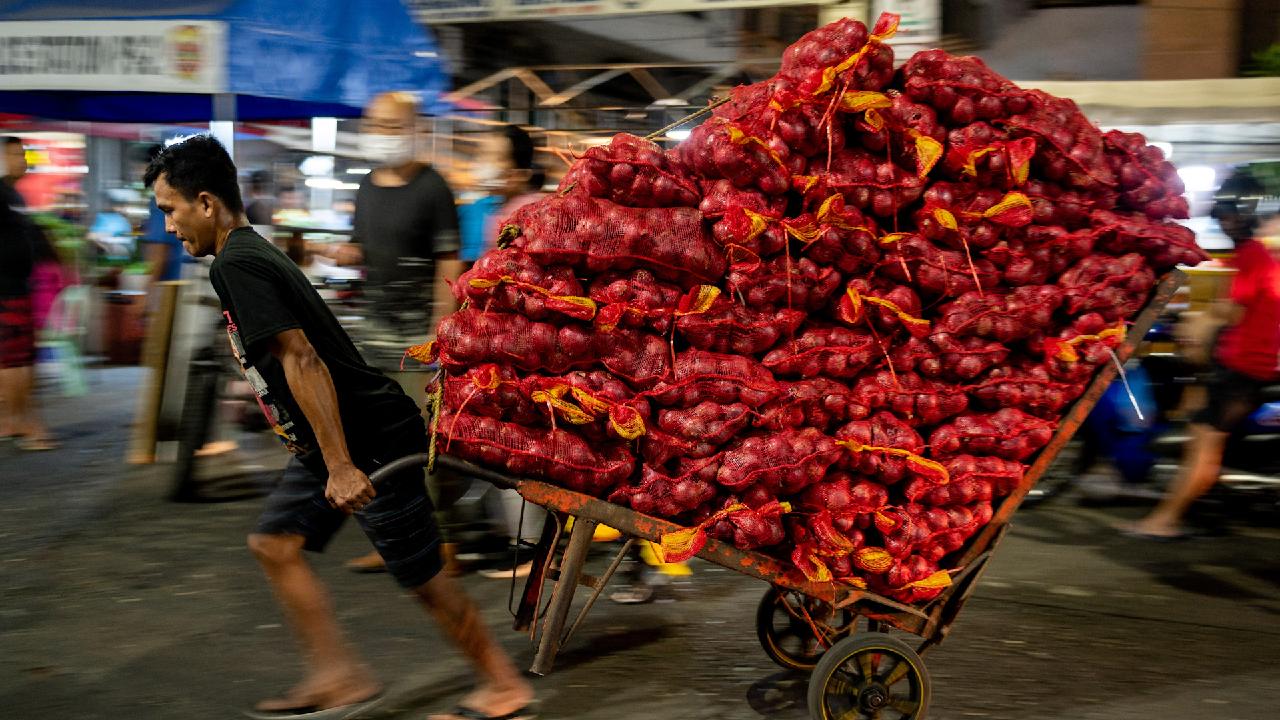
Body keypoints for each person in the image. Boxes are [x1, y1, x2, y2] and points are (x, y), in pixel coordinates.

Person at [145, 135, 534, 720]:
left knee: (424, 578)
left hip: (367, 439)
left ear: (205, 202)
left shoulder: (237, 263)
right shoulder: (245, 254)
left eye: (170, 210)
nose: (169, 226)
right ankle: (339, 676)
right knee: (274, 545)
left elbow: (302, 359)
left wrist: (340, 464)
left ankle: (504, 686)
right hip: (328, 443)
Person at [314, 91, 467, 576]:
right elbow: (363, 249)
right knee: (373, 441)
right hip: (371, 334)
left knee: (423, 443)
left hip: (415, 338)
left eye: (392, 126)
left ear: (415, 128)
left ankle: (444, 542)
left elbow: (448, 262)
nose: (382, 135)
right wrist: (339, 254)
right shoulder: (365, 187)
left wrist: (439, 333)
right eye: (375, 126)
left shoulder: (433, 187)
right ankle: (395, 539)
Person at [1122, 170, 1280, 540]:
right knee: (1204, 435)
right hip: (1244, 363)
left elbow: (1229, 311)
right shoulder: (1255, 255)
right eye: (1222, 216)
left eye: (1229, 215)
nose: (1224, 223)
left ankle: (1165, 520)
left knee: (1204, 445)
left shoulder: (1253, 255)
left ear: (1245, 215)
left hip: (1242, 368)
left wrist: (1197, 326)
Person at [0, 136, 55, 451]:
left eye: (23, 154)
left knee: (12, 358)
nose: (22, 160)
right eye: (15, 154)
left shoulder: (13, 194)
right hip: (7, 289)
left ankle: (10, 420)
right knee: (17, 360)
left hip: (15, 286)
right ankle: (25, 423)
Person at [142, 144, 188, 286]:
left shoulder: (160, 201)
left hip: (165, 289)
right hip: (180, 282)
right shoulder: (181, 196)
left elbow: (159, 253)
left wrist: (145, 298)